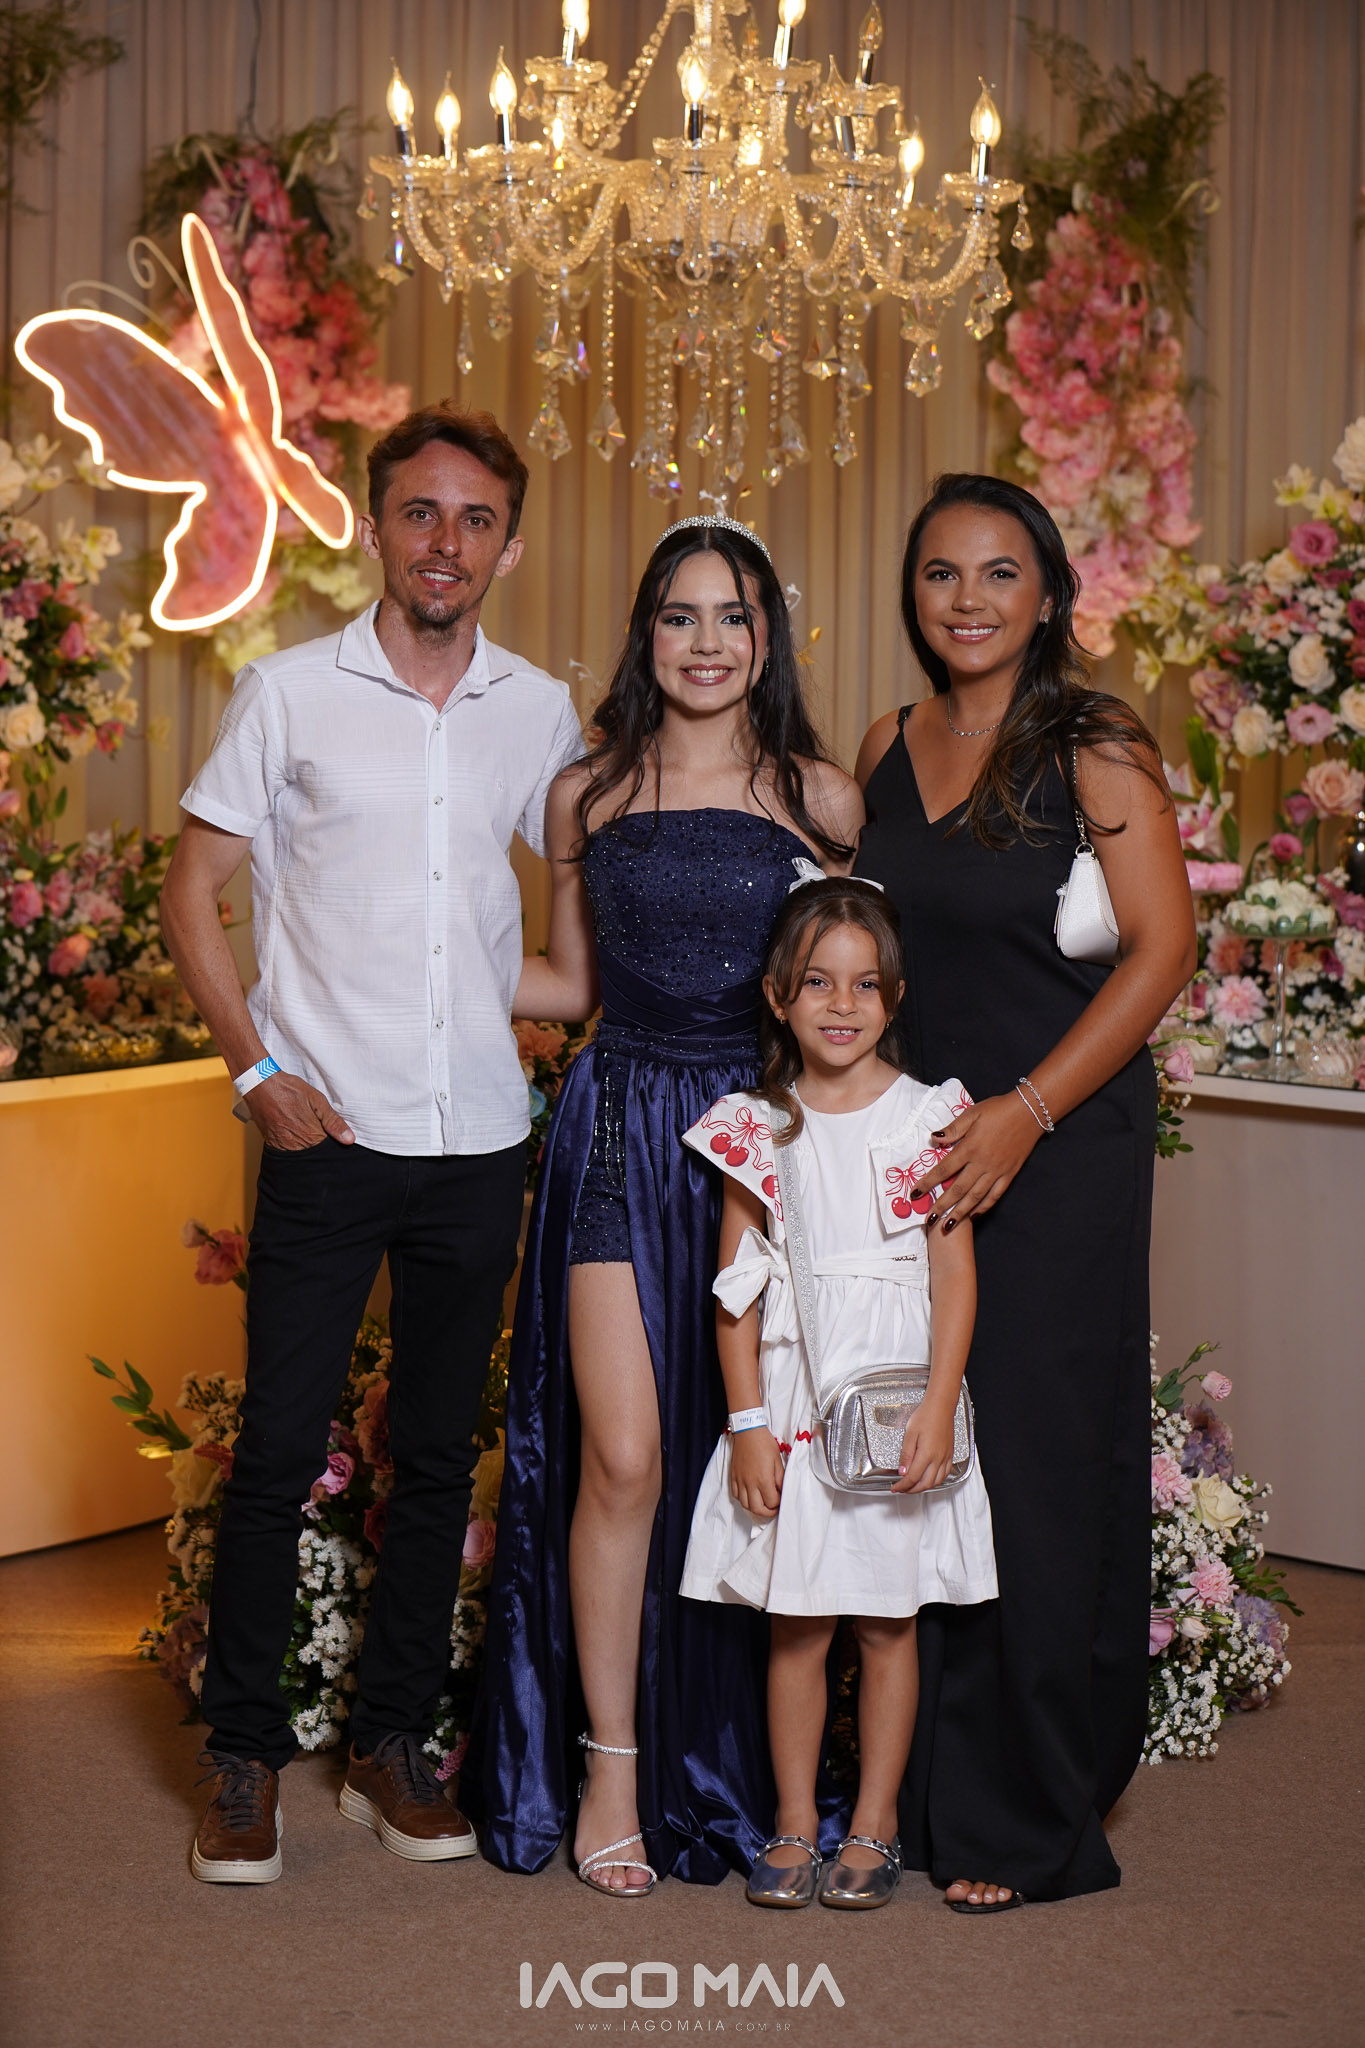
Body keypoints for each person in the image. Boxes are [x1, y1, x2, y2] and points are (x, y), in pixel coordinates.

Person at [159, 403, 584, 1883]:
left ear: (508, 546)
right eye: (421, 512)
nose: (445, 542)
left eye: (476, 519)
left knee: (436, 1457)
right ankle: (241, 1757)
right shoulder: (287, 693)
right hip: (327, 1132)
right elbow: (193, 891)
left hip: (479, 1137)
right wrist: (256, 1066)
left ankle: (390, 1745)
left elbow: (555, 932)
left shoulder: (541, 711)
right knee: (278, 1452)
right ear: (374, 525)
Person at [466, 515, 864, 1891]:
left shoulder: (821, 797)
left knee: (749, 1463)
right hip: (615, 1126)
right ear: (647, 633)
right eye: (681, 615)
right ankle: (609, 1769)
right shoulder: (586, 794)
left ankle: (746, 1764)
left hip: (759, 1141)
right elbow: (569, 985)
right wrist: (400, 954)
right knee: (625, 1458)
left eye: (733, 616)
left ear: (767, 638)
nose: (707, 642)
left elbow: (841, 997)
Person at [854, 472, 1197, 1909]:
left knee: (1039, 1468)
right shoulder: (886, 743)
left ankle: (1029, 1812)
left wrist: (1029, 1112)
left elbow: (1163, 950)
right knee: (921, 1461)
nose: (969, 600)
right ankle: (926, 1788)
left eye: (1001, 573)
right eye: (942, 573)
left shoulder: (1092, 741)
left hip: (1056, 1144)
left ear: (1049, 595)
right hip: (925, 1150)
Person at [679, 877, 997, 1911]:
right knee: (798, 1622)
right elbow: (734, 1289)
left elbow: (954, 1276)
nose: (841, 1004)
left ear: (893, 998)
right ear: (779, 996)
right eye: (817, 982)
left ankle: (875, 1820)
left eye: (864, 984)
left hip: (897, 1397)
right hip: (795, 1396)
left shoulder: (927, 1117)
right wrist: (747, 1425)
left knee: (888, 1623)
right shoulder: (755, 1127)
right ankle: (790, 1820)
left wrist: (940, 1405)